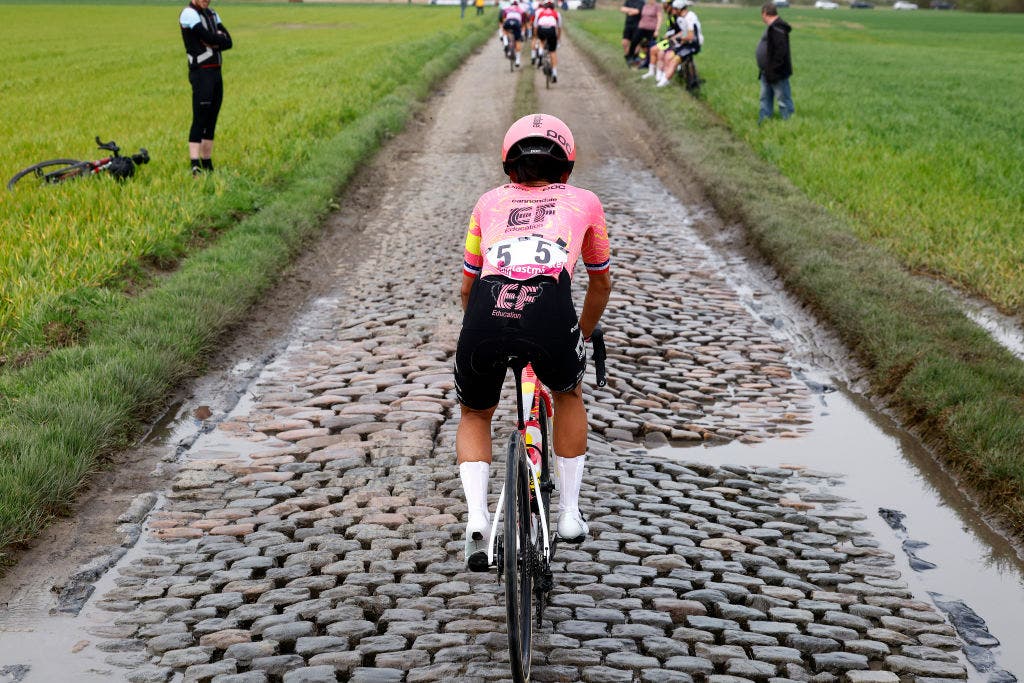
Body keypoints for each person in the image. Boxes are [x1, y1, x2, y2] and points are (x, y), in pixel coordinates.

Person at [456, 113, 612, 569]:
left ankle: (477, 521)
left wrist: (482, 329)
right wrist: (580, 334)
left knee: (475, 413)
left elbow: (467, 286)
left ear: (509, 164)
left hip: (488, 305)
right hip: (550, 309)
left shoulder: (487, 202)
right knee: (568, 393)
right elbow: (601, 284)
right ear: (566, 168)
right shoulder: (585, 201)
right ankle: (567, 513)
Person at [180, 0, 232, 176]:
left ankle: (207, 162)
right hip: (201, 73)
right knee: (200, 117)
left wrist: (214, 40)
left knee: (211, 119)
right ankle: (195, 165)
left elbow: (229, 42)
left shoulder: (212, 13)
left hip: (216, 73)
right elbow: (208, 37)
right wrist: (216, 38)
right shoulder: (189, 13)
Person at [757, 2, 793, 123]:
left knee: (783, 100)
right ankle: (764, 122)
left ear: (765, 13)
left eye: (762, 14)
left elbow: (780, 52)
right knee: (764, 99)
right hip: (766, 71)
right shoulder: (773, 27)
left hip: (777, 72)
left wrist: (773, 70)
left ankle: (789, 123)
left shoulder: (777, 28)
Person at [533, 0, 562, 82]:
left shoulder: (539, 13)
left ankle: (541, 53)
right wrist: (558, 38)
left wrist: (536, 36)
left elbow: (535, 26)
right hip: (551, 30)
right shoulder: (557, 13)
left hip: (541, 28)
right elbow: (559, 28)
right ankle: (555, 73)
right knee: (552, 51)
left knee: (542, 41)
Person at [627, 0, 662, 65]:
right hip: (641, 27)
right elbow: (639, 13)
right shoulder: (644, 5)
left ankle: (648, 61)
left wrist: (657, 30)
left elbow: (659, 18)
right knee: (634, 41)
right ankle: (631, 57)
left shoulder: (657, 6)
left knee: (650, 45)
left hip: (651, 29)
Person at [500, 0, 526, 67]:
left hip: (508, 21)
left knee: (504, 30)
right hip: (517, 23)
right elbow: (523, 23)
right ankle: (517, 61)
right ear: (518, 4)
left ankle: (505, 43)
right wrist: (522, 34)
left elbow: (504, 19)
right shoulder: (521, 10)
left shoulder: (507, 9)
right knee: (517, 41)